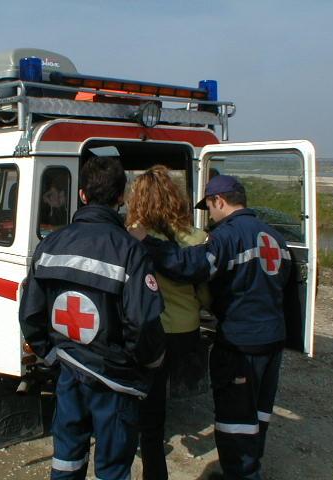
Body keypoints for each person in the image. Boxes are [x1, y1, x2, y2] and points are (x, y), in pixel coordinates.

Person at [129, 175, 291, 480]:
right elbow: (283, 285)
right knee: (258, 413)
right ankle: (250, 467)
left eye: (211, 207)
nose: (211, 215)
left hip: (239, 341)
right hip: (271, 337)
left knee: (234, 421)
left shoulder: (226, 236)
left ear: (219, 201)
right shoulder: (273, 236)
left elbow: (190, 267)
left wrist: (147, 242)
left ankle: (241, 474)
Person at [20, 156, 166, 480]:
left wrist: (53, 356)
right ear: (121, 198)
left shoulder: (50, 245)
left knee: (66, 463)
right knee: (112, 471)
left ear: (82, 195)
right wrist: (146, 365)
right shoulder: (131, 251)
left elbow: (30, 315)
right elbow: (143, 324)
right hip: (115, 383)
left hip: (68, 374)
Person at [125, 165, 210, 480]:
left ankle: (154, 473)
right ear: (175, 197)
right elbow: (206, 293)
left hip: (151, 332)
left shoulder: (132, 236)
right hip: (186, 332)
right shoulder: (198, 237)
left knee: (151, 415)